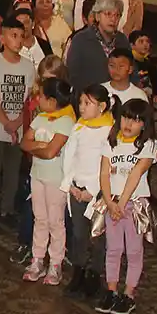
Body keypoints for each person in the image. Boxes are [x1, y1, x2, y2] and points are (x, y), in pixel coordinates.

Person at [96, 98, 156, 314]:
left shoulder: (147, 146)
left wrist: (120, 204)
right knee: (112, 249)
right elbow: (104, 172)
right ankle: (111, 290)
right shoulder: (111, 142)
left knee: (133, 250)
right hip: (112, 202)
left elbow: (136, 174)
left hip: (133, 205)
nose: (129, 124)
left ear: (144, 125)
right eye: (126, 117)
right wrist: (109, 202)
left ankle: (129, 293)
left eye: (136, 120)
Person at [21, 78, 75, 285]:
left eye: (41, 96)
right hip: (38, 175)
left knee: (55, 221)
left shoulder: (66, 121)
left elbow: (52, 152)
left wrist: (39, 147)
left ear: (52, 101)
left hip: (56, 179)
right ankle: (37, 258)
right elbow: (25, 143)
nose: (37, 98)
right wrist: (41, 147)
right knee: (40, 219)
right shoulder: (40, 118)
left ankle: (56, 262)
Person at [0, 19, 35, 223]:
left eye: (22, 36)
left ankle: (7, 209)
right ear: (2, 38)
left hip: (18, 125)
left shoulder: (28, 67)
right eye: (13, 35)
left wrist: (18, 122)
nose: (18, 40)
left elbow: (28, 100)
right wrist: (6, 123)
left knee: (13, 169)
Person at [61, 86, 113, 298]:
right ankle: (78, 272)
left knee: (97, 236)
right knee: (79, 234)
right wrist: (70, 184)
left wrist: (93, 191)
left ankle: (94, 274)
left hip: (97, 193)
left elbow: (106, 165)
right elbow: (69, 156)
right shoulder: (79, 127)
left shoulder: (109, 130)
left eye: (87, 103)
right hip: (77, 189)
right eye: (80, 102)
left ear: (101, 107)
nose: (81, 107)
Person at [64, 0, 131, 95]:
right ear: (98, 16)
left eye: (117, 15)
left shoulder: (122, 40)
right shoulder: (81, 39)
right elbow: (73, 75)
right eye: (108, 14)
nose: (113, 19)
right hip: (90, 97)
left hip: (120, 95)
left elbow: (132, 69)